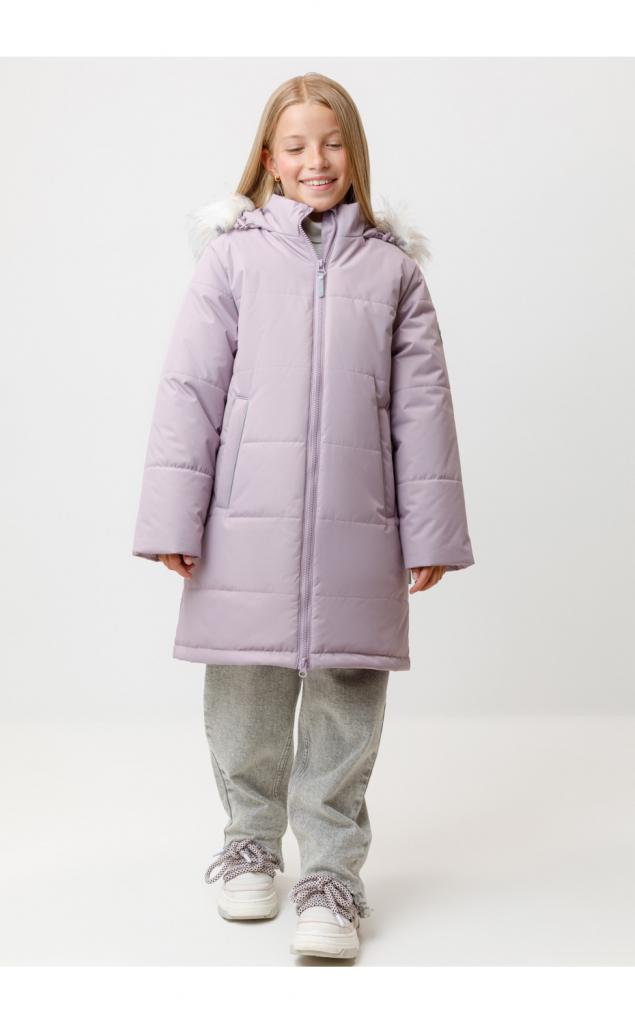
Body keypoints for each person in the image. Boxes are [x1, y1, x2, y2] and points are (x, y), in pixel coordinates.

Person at [131, 72, 474, 959]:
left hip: (360, 527)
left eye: (331, 142)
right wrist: (173, 518)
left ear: (354, 153)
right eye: (295, 146)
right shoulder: (232, 261)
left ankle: (330, 875)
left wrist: (431, 530)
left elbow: (422, 410)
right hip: (244, 524)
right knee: (244, 693)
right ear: (268, 160)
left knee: (346, 702)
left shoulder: (393, 273)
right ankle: (249, 843)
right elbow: (189, 390)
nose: (315, 159)